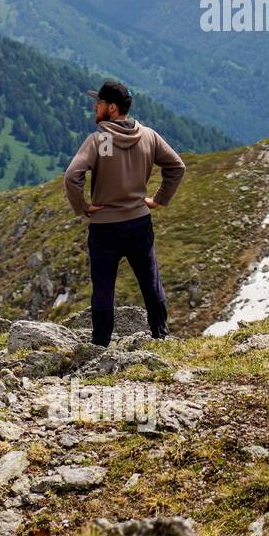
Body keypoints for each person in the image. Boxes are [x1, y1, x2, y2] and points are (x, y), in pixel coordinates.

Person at [63, 80, 186, 346]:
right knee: (150, 280)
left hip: (105, 227)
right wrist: (159, 199)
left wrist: (82, 207)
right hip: (139, 221)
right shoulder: (148, 136)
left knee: (104, 287)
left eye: (99, 103)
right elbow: (176, 167)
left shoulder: (99, 140)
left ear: (113, 108)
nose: (95, 106)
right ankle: (160, 334)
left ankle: (100, 343)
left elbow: (73, 176)